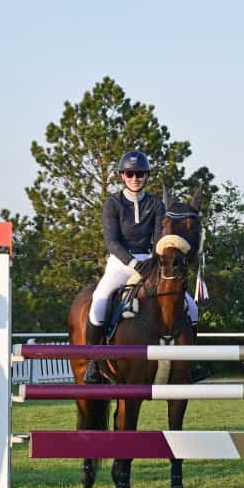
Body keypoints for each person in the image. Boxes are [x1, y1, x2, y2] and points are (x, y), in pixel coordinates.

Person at [84, 150, 203, 383]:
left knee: (191, 306)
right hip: (120, 263)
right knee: (99, 300)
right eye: (130, 173)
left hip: (151, 262)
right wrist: (132, 263)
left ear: (146, 176)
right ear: (122, 176)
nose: (135, 178)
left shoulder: (156, 204)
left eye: (140, 174)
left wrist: (152, 261)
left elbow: (160, 238)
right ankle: (93, 363)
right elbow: (112, 241)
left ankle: (192, 361)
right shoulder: (113, 204)